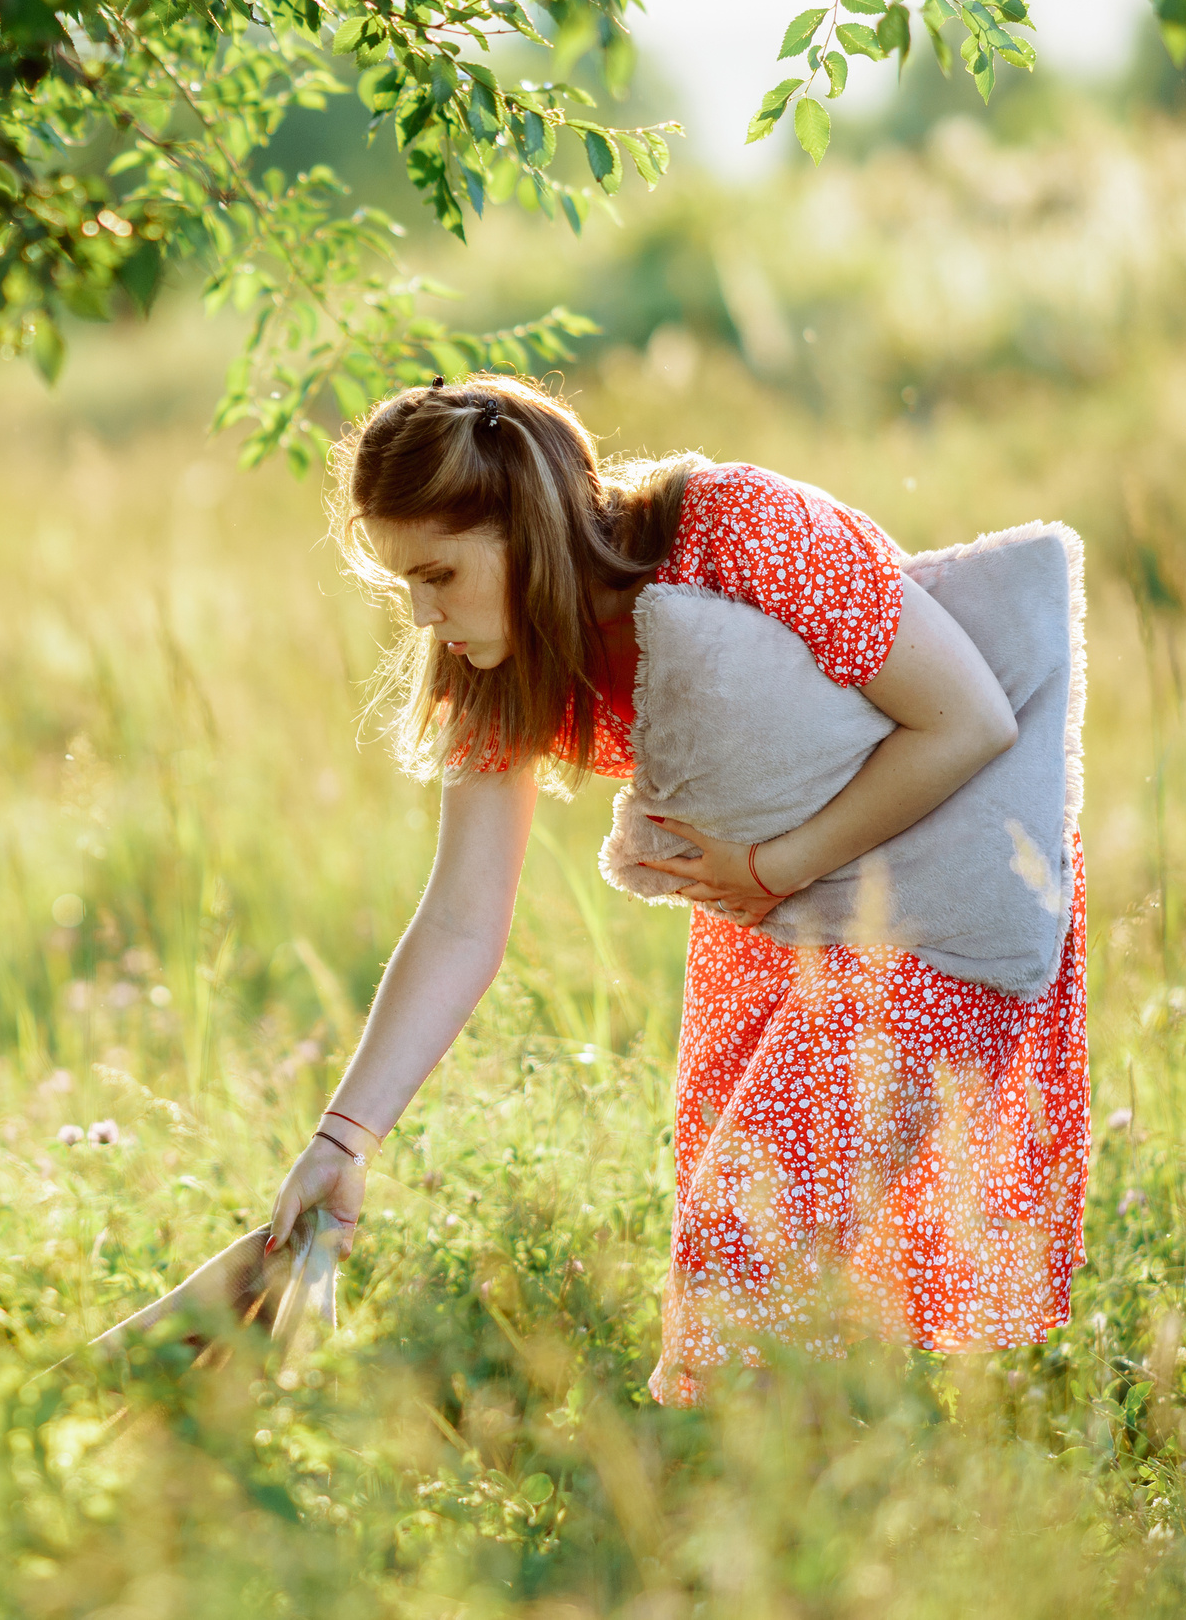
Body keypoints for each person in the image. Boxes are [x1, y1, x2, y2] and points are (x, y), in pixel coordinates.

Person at [267, 375, 1087, 1402]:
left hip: (922, 906)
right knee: (765, 1273)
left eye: (440, 574)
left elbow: (969, 718)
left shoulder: (737, 526)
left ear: (525, 525)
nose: (426, 618)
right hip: (767, 930)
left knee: (742, 1246)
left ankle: (737, 1525)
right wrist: (342, 1140)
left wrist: (774, 866)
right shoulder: (495, 667)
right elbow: (461, 919)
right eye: (404, 590)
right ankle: (812, 1519)